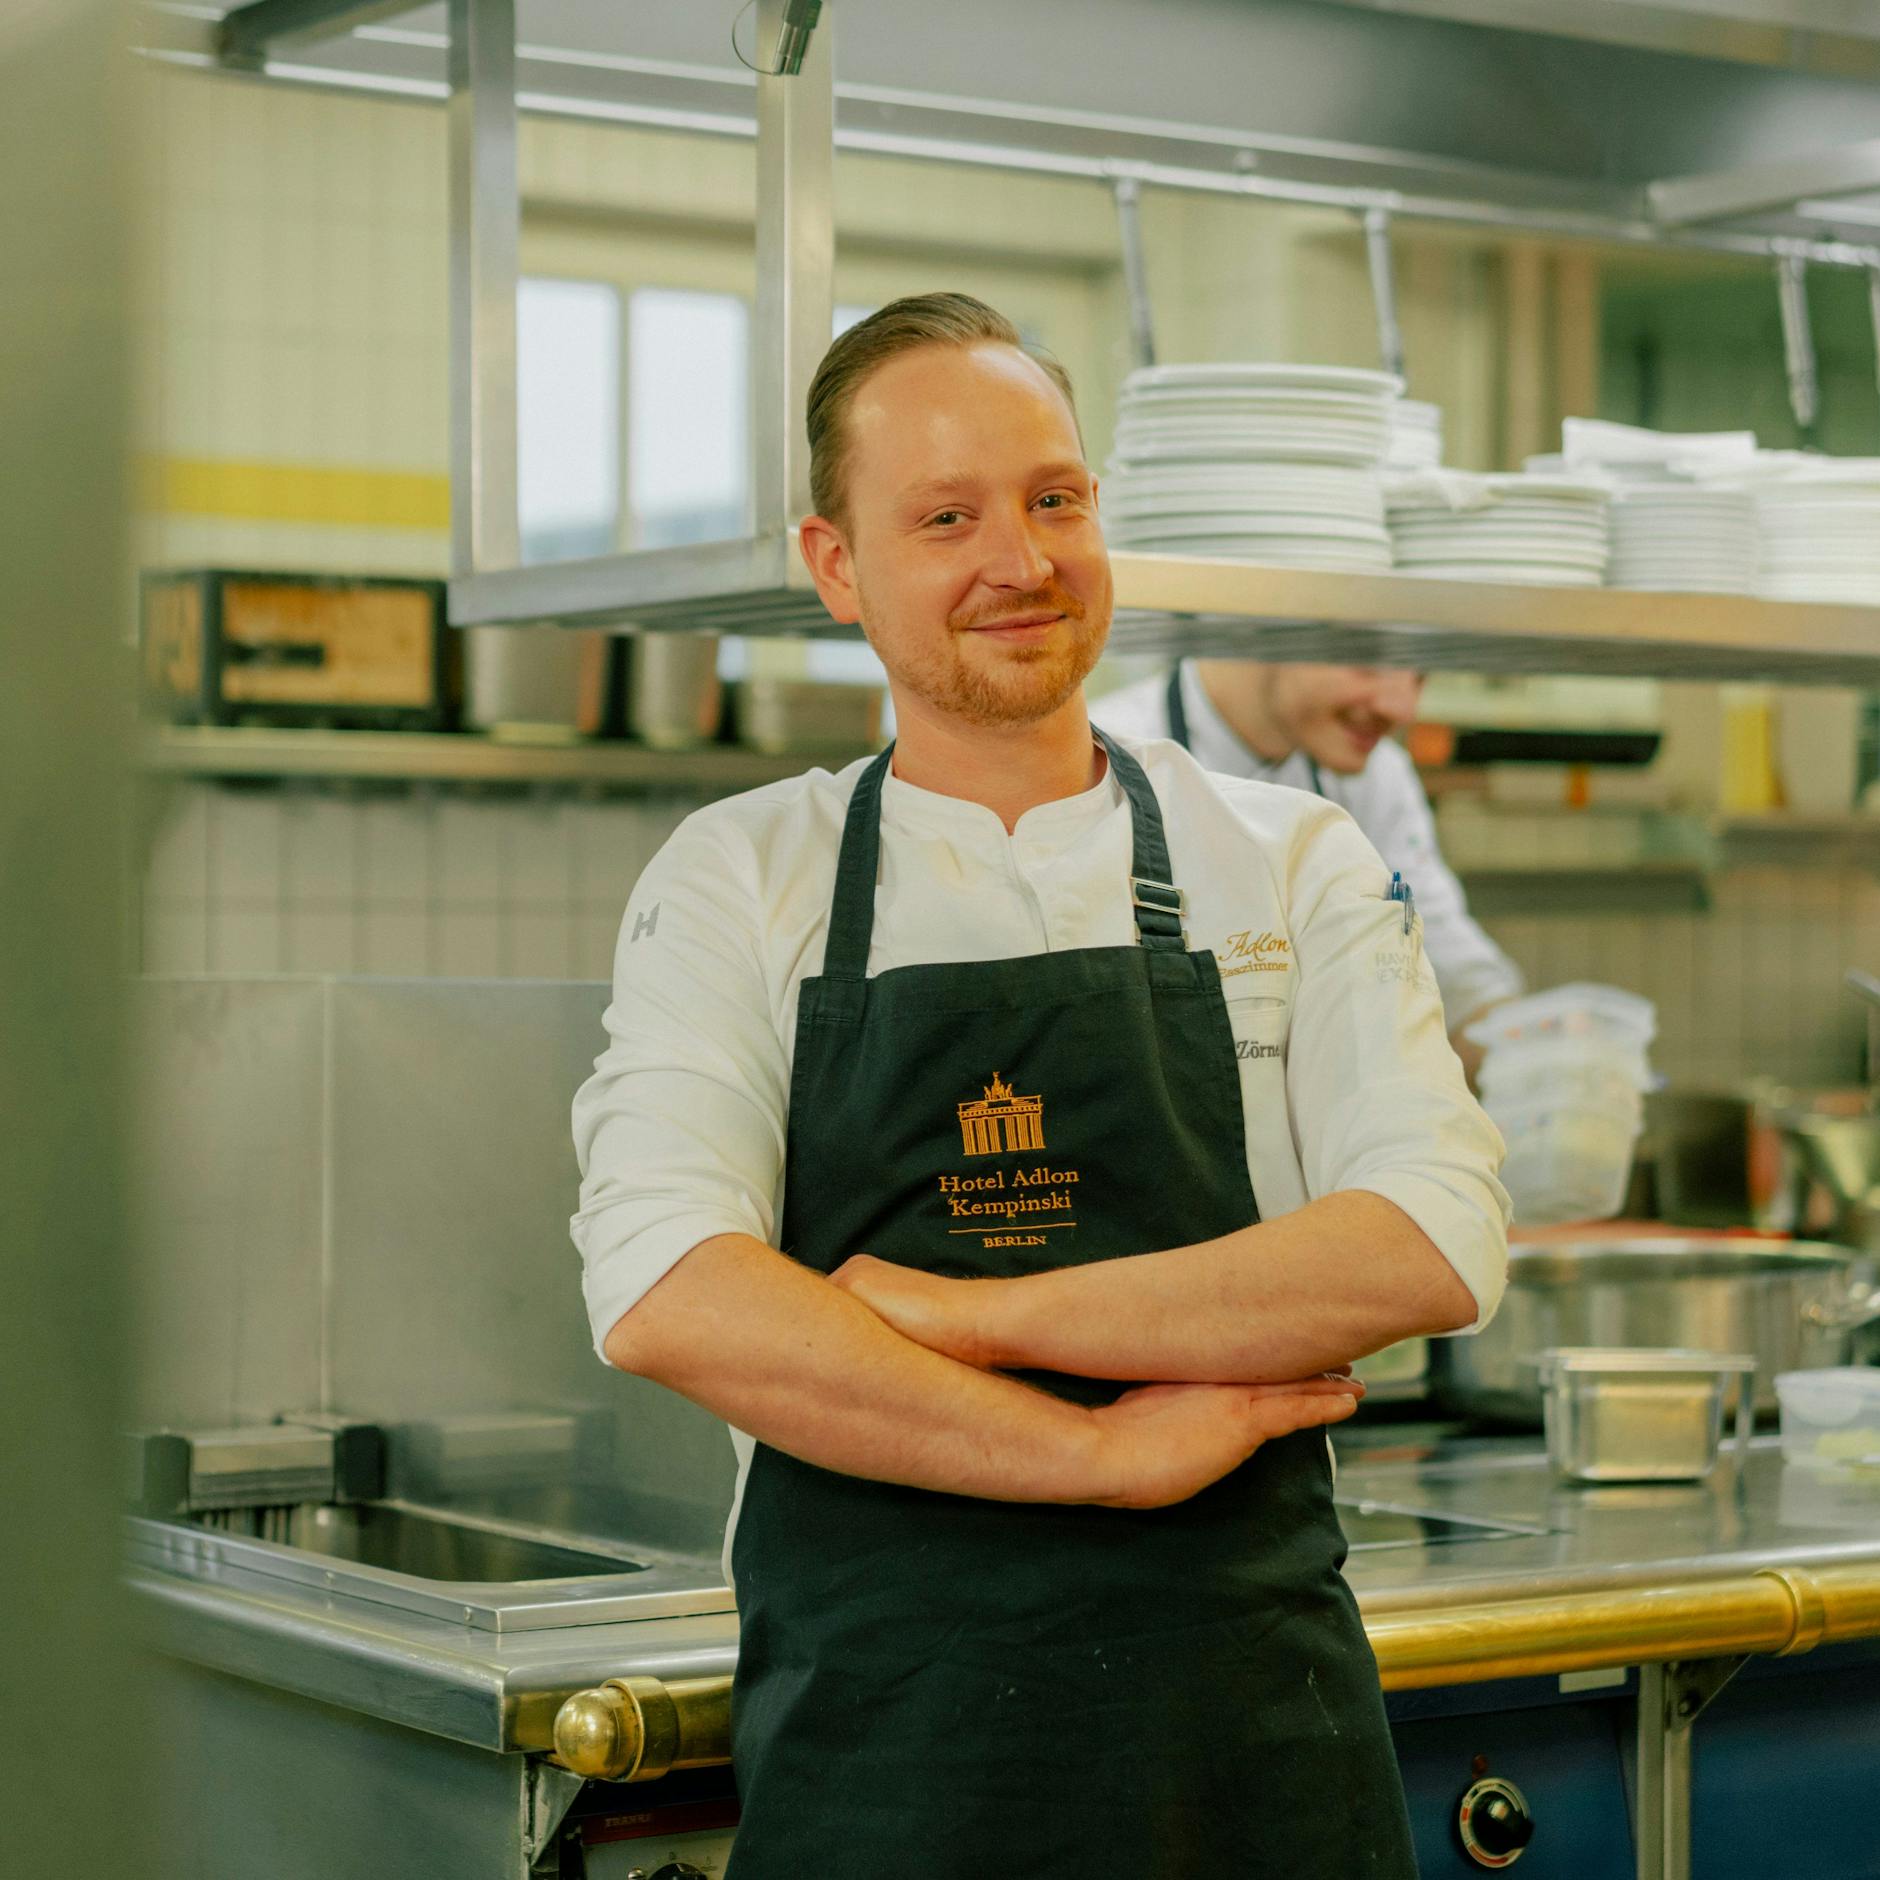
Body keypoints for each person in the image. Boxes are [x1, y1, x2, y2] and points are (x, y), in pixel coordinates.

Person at [571, 292, 1509, 1879]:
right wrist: (1094, 1454)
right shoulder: (745, 874)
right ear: (837, 566)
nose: (1020, 560)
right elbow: (671, 1287)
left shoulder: (1287, 858)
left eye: (1054, 499)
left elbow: (1429, 1241)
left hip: (1251, 1753)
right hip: (898, 1759)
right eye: (946, 517)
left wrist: (967, 1311)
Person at [1094, 660, 1522, 1079]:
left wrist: (1527, 1043)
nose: (1403, 708)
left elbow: (1444, 955)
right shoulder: (1100, 761)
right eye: (1369, 660)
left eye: (1421, 674)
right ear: (1276, 621)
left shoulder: (1376, 776)